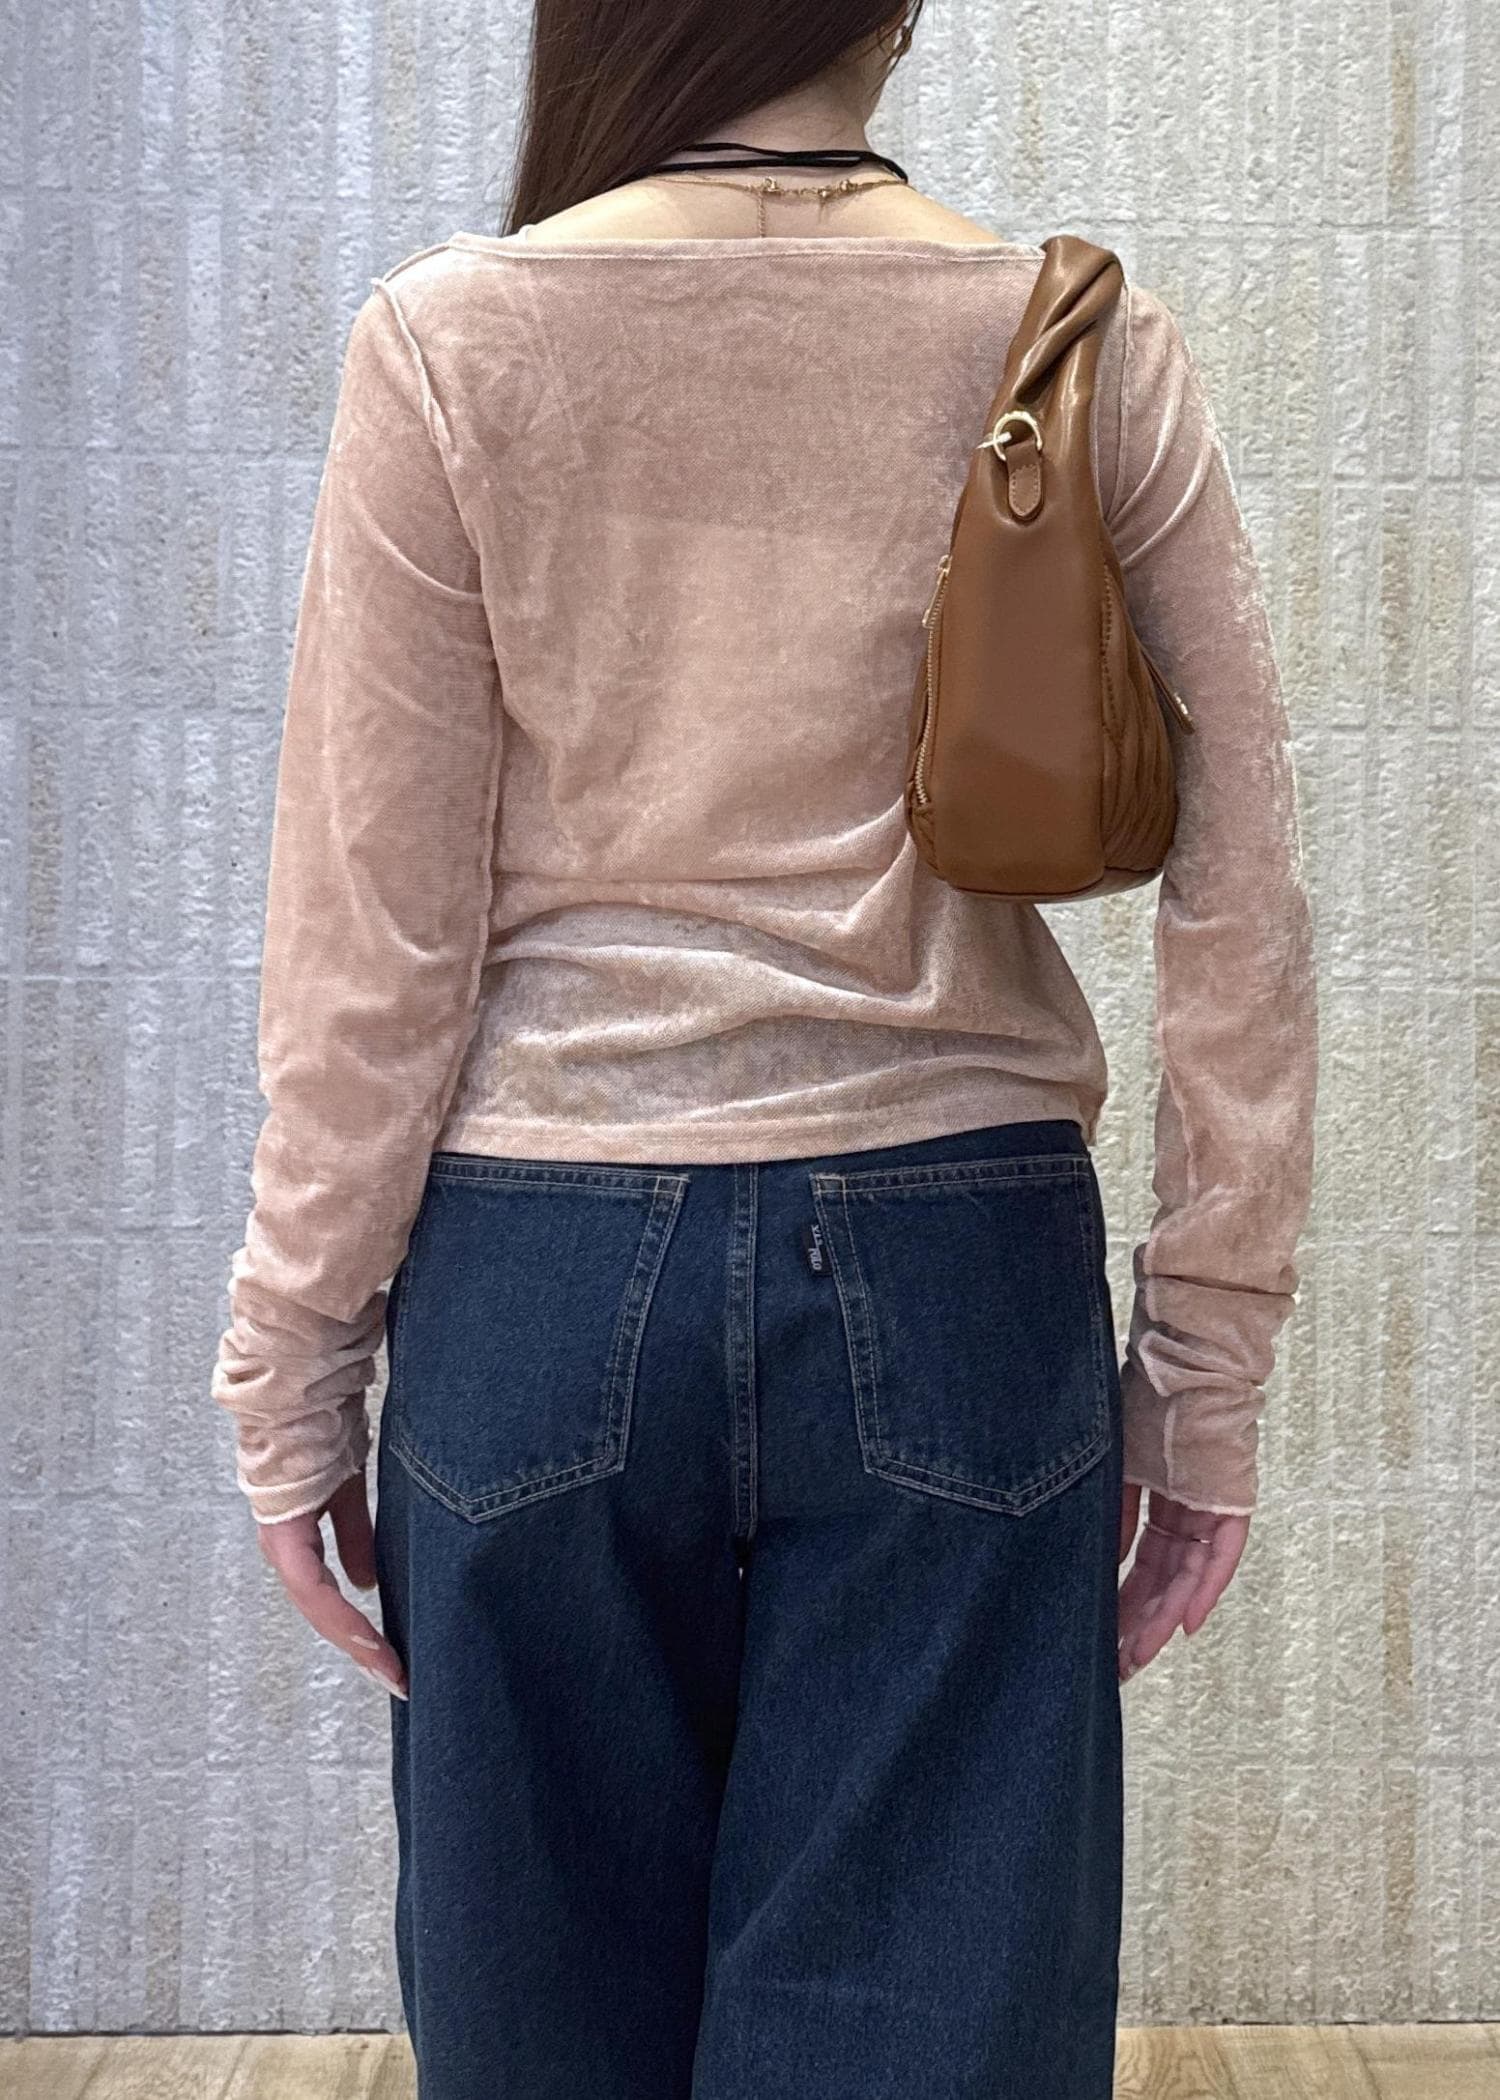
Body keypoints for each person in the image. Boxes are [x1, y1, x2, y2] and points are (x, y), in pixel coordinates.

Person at [209, 2, 1318, 2092]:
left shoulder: (452, 342)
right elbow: (1244, 893)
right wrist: (1206, 1374)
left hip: (534, 1287)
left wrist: (290, 1367)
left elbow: (376, 945)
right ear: (894, 8)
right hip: (959, 1274)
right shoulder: (1073, 341)